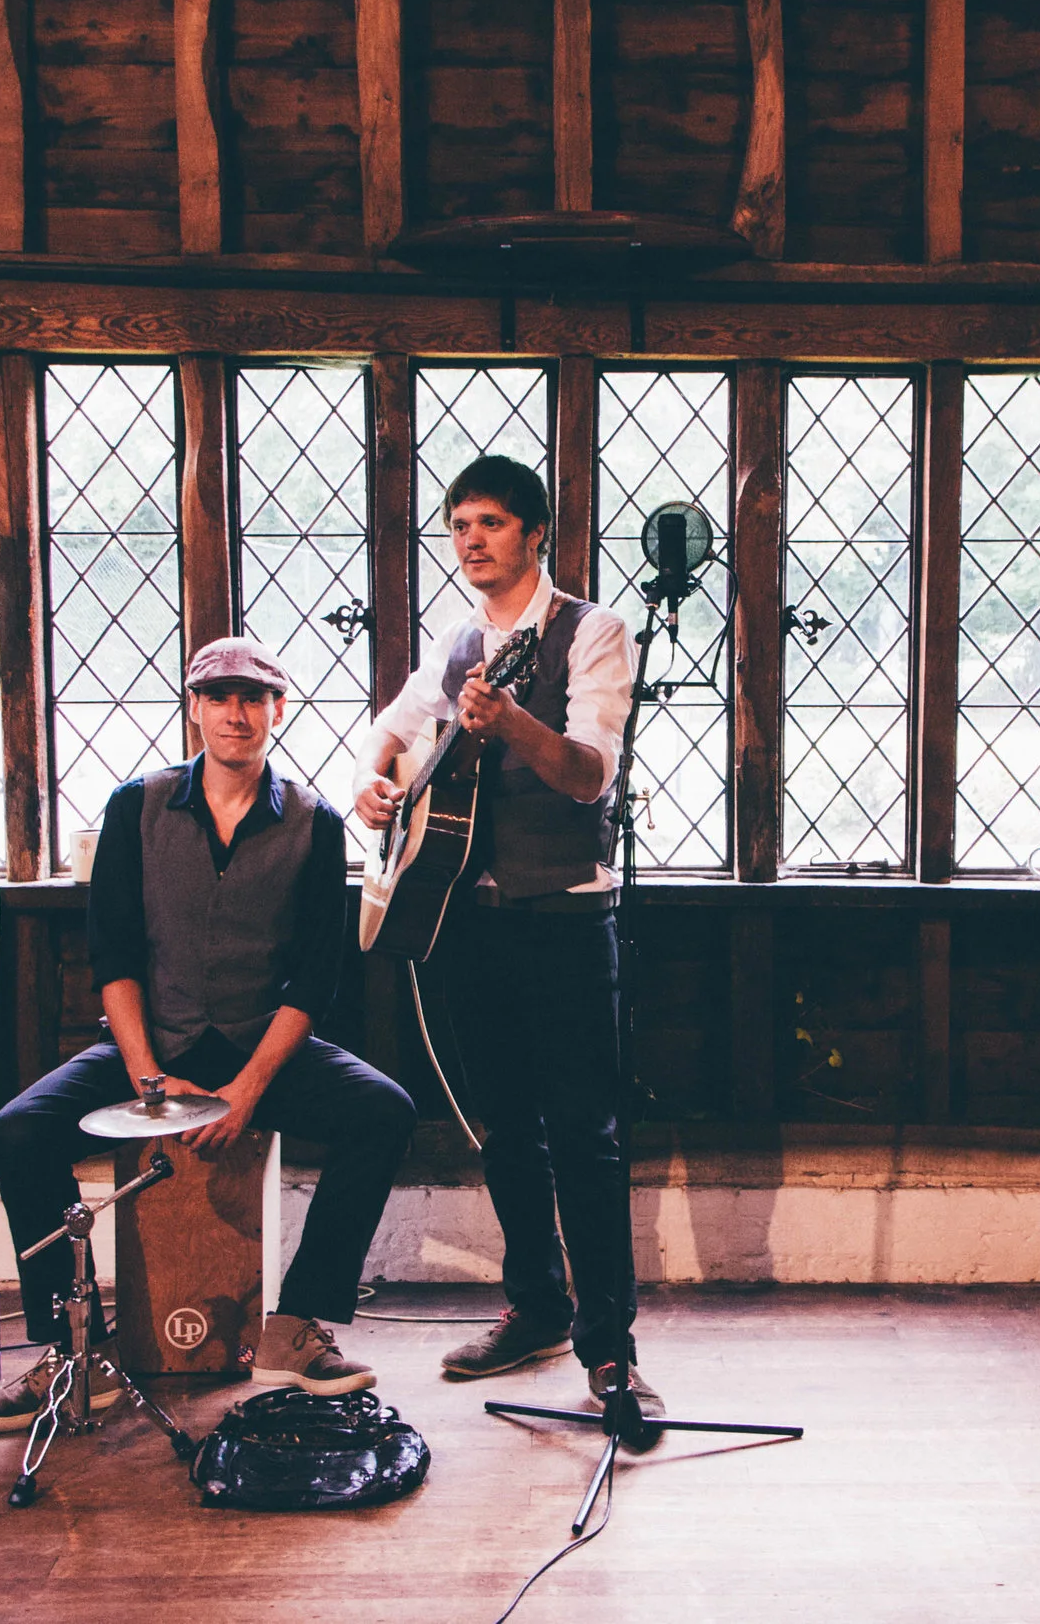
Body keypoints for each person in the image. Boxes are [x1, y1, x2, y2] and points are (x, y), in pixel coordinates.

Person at [0, 637, 416, 1432]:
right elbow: (114, 956)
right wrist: (148, 1078)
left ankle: (295, 1325)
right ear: (196, 710)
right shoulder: (135, 807)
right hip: (155, 1046)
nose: (235, 715)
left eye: (253, 699)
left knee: (384, 1111)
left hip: (260, 1048)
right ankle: (75, 1353)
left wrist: (247, 1090)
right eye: (218, 698)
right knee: (19, 1131)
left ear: (278, 709)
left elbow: (314, 981)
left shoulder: (314, 822)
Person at [349, 454, 662, 1418]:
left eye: (489, 523)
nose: (471, 541)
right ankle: (535, 1308)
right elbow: (392, 728)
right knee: (505, 1134)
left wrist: (515, 723)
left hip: (566, 918)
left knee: (586, 1139)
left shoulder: (593, 631)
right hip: (466, 921)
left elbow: (590, 775)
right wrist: (375, 781)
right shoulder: (455, 643)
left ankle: (610, 1352)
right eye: (459, 526)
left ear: (535, 533)